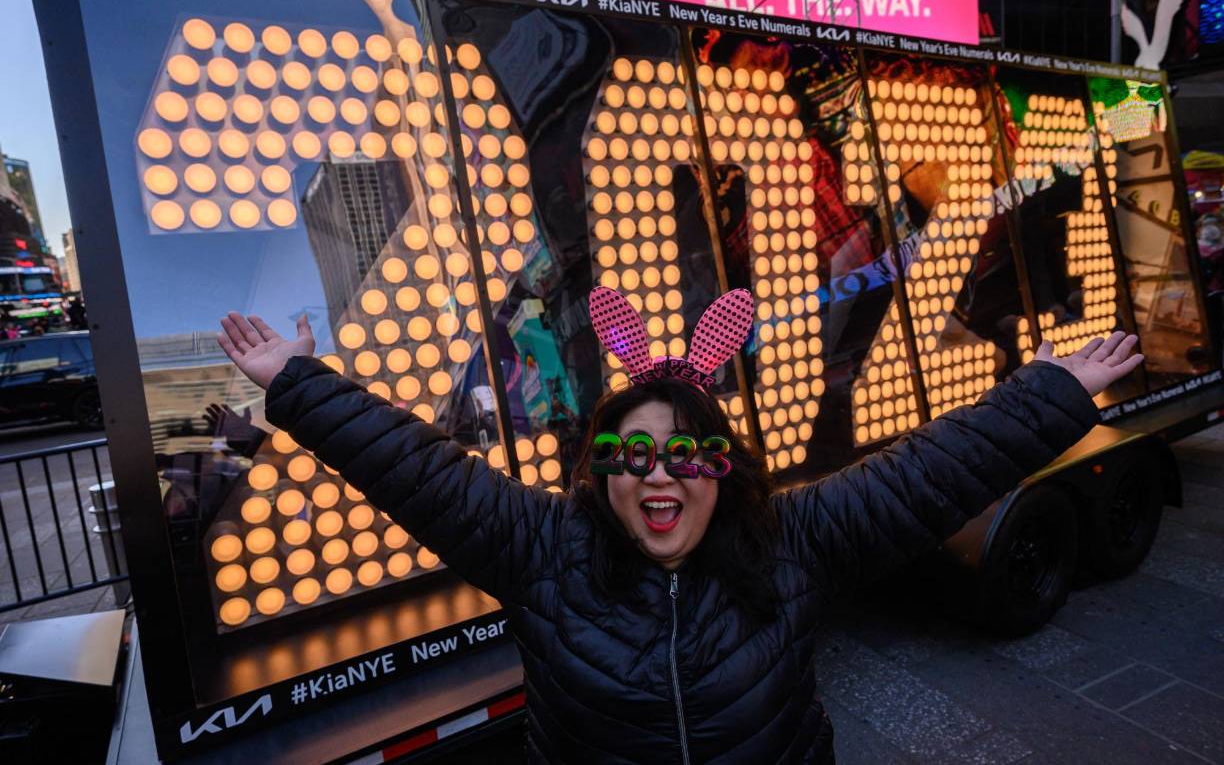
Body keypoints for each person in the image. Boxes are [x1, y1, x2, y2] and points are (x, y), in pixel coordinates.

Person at [217, 288, 1142, 764]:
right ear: (604, 471)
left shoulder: (791, 540)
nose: (659, 473)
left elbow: (928, 475)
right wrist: (297, 383)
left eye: (685, 453)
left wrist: (1051, 394)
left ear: (721, 466)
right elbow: (420, 473)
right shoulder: (544, 552)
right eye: (632, 454)